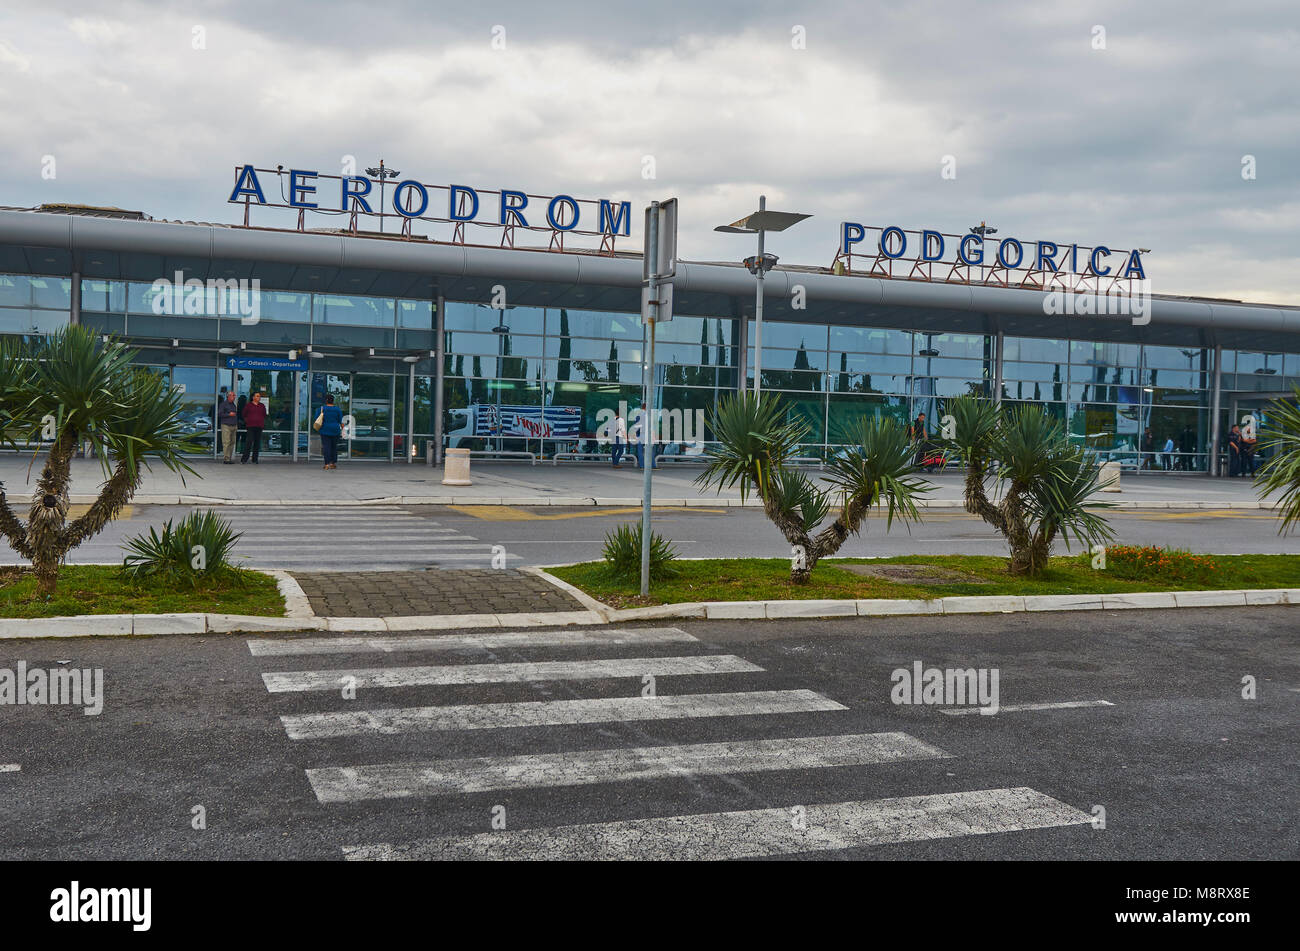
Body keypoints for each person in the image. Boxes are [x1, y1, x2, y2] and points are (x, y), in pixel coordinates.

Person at [240, 391, 268, 464]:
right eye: (257, 396)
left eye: (259, 396)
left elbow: (264, 415)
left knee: (257, 443)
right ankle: (244, 459)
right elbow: (244, 414)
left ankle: (255, 459)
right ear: (253, 397)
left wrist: (261, 421)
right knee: (249, 442)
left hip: (259, 426)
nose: (259, 397)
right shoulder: (248, 405)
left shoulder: (262, 405)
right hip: (251, 426)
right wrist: (247, 421)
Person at [317, 394, 343, 470]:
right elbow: (341, 421)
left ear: (326, 400)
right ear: (333, 401)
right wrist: (343, 430)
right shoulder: (337, 409)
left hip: (325, 430)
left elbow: (316, 419)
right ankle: (333, 463)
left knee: (326, 447)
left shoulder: (321, 409)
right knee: (334, 447)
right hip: (335, 430)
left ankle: (327, 464)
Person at [217, 390, 239, 464]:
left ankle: (229, 457)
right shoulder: (223, 404)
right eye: (233, 395)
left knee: (232, 442)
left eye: (234, 395)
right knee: (226, 442)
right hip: (226, 425)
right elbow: (220, 414)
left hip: (234, 425)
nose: (234, 397)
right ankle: (226, 459)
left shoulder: (233, 405)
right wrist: (229, 414)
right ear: (228, 396)